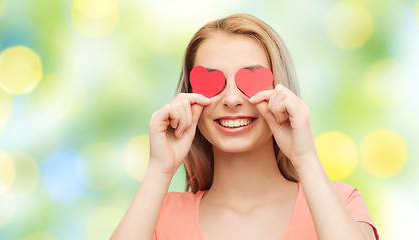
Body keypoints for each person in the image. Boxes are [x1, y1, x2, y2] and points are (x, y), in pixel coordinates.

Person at [111, 14, 379, 240]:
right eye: (212, 82)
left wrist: (305, 158)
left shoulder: (341, 203)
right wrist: (159, 168)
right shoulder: (158, 215)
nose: (231, 100)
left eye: (250, 80)